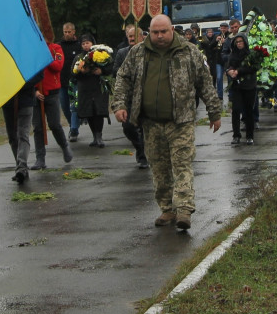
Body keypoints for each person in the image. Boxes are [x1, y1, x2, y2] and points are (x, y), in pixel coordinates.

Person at [113, 14, 221, 231]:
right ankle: (167, 208)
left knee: (181, 164)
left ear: (172, 30)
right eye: (155, 32)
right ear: (148, 33)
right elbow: (122, 78)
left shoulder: (189, 51)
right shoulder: (138, 53)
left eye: (163, 31)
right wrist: (120, 104)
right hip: (150, 123)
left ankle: (183, 209)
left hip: (180, 121)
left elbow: (205, 82)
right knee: (159, 167)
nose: (159, 36)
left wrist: (214, 112)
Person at [31, 43, 73, 169]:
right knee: (38, 127)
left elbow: (57, 66)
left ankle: (64, 146)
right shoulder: (32, 48)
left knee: (54, 124)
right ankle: (40, 158)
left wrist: (46, 57)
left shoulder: (56, 48)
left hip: (52, 93)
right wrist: (34, 90)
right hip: (36, 93)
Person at [113, 25, 148, 168]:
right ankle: (139, 147)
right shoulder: (122, 53)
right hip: (128, 97)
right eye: (129, 36)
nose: (131, 38)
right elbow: (116, 71)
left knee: (145, 128)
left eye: (134, 36)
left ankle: (144, 156)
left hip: (146, 97)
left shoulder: (148, 52)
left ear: (141, 37)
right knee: (128, 128)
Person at [72, 34, 113, 147]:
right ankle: (94, 136)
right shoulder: (79, 58)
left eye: (88, 43)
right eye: (83, 43)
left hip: (98, 88)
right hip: (85, 89)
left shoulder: (101, 54)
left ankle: (99, 136)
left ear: (92, 43)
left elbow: (110, 68)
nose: (85, 45)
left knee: (98, 112)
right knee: (89, 112)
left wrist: (101, 71)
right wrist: (81, 71)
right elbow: (73, 73)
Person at [2, 73, 42, 182]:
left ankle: (22, 166)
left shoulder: (30, 56)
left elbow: (39, 74)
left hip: (26, 100)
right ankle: (20, 166)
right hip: (7, 100)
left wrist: (21, 84)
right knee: (12, 137)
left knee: (23, 135)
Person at [226, 33, 257, 145]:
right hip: (237, 86)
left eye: (240, 41)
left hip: (249, 86)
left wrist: (239, 71)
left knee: (248, 111)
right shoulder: (233, 54)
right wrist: (229, 71)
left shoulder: (251, 54)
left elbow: (253, 68)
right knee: (236, 110)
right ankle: (236, 135)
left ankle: (249, 135)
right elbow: (229, 66)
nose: (239, 44)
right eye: (237, 42)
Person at [58, 22, 83, 142]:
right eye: (65, 32)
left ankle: (74, 129)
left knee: (74, 106)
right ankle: (72, 124)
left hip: (75, 81)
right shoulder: (59, 46)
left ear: (73, 32)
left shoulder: (78, 46)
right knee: (65, 106)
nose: (67, 34)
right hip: (62, 82)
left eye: (69, 32)